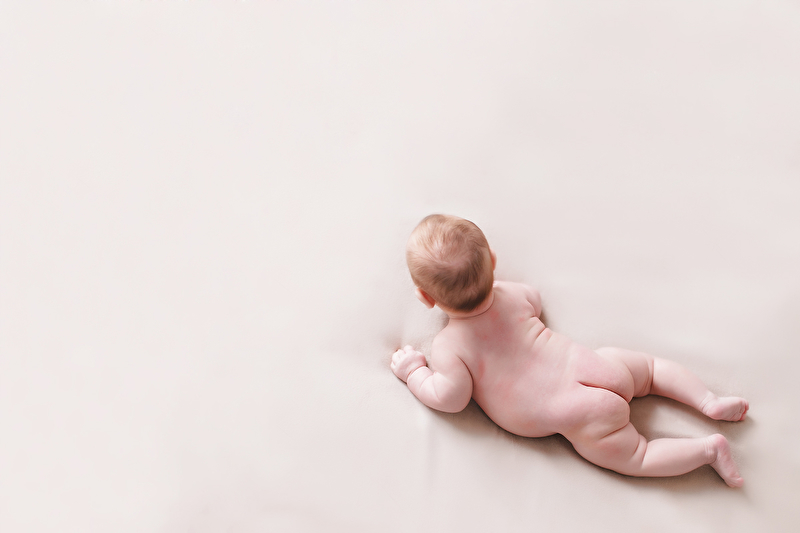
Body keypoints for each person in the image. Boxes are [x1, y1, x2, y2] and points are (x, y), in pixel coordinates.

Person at [391, 214, 748, 487]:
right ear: (494, 262)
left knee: (638, 456)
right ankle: (708, 401)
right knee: (651, 370)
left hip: (580, 416)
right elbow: (534, 299)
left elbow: (450, 398)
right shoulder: (510, 295)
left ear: (425, 298)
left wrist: (414, 372)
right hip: (597, 366)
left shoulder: (449, 346)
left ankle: (708, 450)